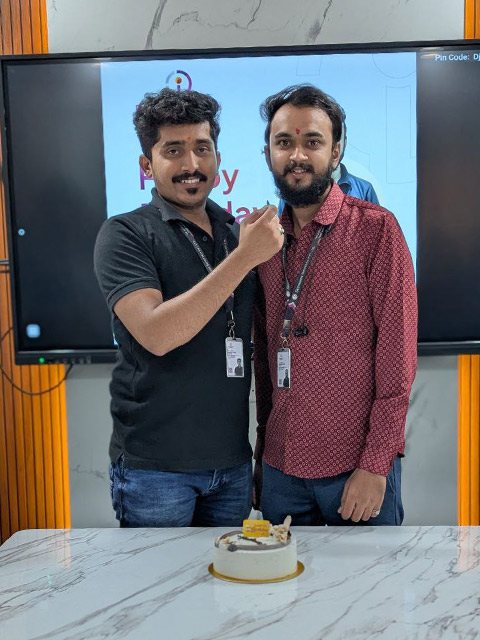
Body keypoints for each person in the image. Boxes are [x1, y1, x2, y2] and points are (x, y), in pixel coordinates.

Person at [94, 88, 284, 528]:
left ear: (218, 157)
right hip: (155, 470)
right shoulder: (125, 234)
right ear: (147, 164)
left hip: (233, 464)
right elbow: (158, 334)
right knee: (159, 577)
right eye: (173, 151)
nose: (191, 164)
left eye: (202, 148)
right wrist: (244, 258)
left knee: (228, 575)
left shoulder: (234, 234)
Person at [253, 84, 417, 526]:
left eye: (313, 142)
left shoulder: (376, 231)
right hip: (281, 469)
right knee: (282, 576)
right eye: (284, 142)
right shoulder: (264, 242)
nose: (297, 156)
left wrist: (376, 464)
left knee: (370, 575)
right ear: (268, 154)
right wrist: (261, 454)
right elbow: (265, 361)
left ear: (336, 151)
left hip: (355, 469)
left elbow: (398, 357)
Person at [332, 120, 380, 204]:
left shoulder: (365, 190)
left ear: (345, 142)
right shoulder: (306, 186)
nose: (334, 147)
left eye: (337, 137)